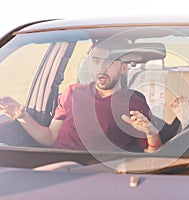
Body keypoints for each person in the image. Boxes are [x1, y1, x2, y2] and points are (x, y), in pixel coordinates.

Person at [0, 41, 161, 152]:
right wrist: (21, 116)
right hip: (57, 166)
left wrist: (151, 133)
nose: (101, 68)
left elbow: (152, 158)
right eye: (96, 60)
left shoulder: (134, 104)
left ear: (123, 68)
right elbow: (49, 138)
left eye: (110, 62)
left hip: (97, 173)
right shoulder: (72, 93)